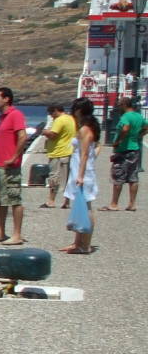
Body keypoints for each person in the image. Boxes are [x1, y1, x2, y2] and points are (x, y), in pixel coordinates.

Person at [0, 87, 28, 245]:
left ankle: (17, 234)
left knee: (14, 199)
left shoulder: (15, 115)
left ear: (6, 99)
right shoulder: (2, 117)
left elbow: (23, 137)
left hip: (10, 166)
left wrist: (14, 157)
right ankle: (0, 231)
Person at [61, 98, 100, 254]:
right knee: (80, 206)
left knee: (87, 206)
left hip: (82, 172)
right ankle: (78, 242)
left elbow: (84, 154)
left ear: (79, 110)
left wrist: (81, 175)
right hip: (81, 169)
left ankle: (85, 245)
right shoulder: (89, 127)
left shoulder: (85, 129)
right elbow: (96, 148)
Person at [103, 98, 144, 211]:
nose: (118, 107)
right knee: (133, 177)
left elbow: (125, 128)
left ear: (125, 105)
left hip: (123, 150)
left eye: (119, 104)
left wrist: (119, 141)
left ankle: (114, 204)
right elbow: (146, 126)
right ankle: (132, 204)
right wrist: (139, 135)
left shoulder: (125, 116)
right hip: (134, 149)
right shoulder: (138, 116)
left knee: (118, 176)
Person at [41, 105, 77, 209]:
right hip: (68, 151)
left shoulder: (59, 120)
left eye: (51, 113)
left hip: (58, 152)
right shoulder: (70, 118)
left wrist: (44, 131)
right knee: (67, 178)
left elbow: (53, 134)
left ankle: (51, 201)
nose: (51, 116)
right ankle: (67, 201)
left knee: (54, 177)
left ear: (56, 111)